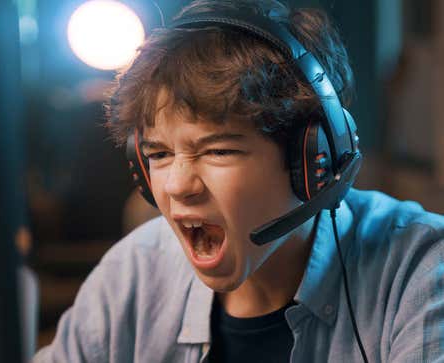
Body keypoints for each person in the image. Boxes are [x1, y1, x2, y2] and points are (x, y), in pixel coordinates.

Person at [33, 0, 444, 362]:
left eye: (218, 151)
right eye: (158, 154)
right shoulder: (134, 273)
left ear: (313, 159)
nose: (177, 186)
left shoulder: (420, 271)